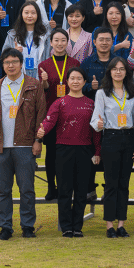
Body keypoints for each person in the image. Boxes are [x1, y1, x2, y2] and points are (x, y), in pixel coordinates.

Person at [0, 48, 46, 240]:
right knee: (3, 190)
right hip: (1, 146)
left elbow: (41, 114)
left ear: (21, 63)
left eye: (14, 61)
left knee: (27, 189)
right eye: (7, 62)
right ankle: (5, 227)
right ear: (2, 65)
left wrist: (38, 141)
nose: (11, 65)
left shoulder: (34, 85)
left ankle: (28, 226)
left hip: (25, 145)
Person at [36, 66, 98, 237]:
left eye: (79, 78)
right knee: (64, 190)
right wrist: (42, 131)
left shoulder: (91, 104)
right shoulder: (60, 102)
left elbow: (96, 131)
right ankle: (66, 227)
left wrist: (98, 151)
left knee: (81, 191)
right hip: (63, 149)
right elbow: (49, 121)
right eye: (72, 78)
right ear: (67, 81)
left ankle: (77, 227)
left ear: (84, 82)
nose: (75, 81)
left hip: (85, 150)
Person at [91, 57, 134, 237]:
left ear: (126, 72)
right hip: (111, 137)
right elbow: (95, 120)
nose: (118, 72)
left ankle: (121, 224)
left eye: (122, 69)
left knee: (124, 183)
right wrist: (99, 124)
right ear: (110, 72)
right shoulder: (102, 93)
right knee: (111, 184)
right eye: (115, 69)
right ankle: (109, 225)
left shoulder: (132, 93)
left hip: (128, 138)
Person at [37, 28, 78, 200]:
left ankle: (65, 187)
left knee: (68, 152)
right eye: (56, 40)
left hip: (71, 113)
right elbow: (44, 90)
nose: (60, 44)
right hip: (52, 113)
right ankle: (51, 186)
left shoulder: (75, 63)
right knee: (52, 153)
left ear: (67, 42)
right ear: (51, 43)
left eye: (63, 40)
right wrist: (45, 81)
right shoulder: (44, 65)